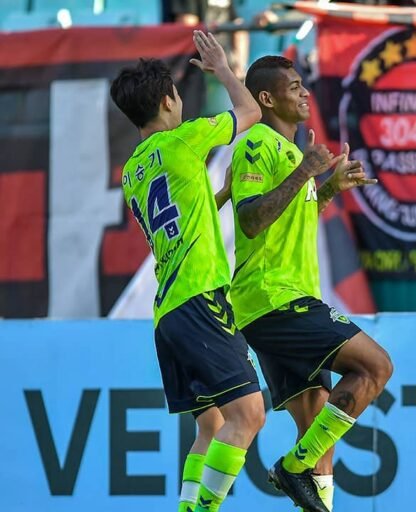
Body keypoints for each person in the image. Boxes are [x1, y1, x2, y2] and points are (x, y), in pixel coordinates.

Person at [228, 55, 394, 512]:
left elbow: (288, 223)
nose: (304, 94)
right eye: (295, 86)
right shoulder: (257, 143)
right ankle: (291, 467)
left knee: (318, 423)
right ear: (267, 98)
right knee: (376, 368)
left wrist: (327, 189)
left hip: (281, 299)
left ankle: (307, 478)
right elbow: (250, 221)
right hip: (274, 298)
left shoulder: (290, 151)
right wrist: (306, 171)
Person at [110, 31, 264, 512]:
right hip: (200, 298)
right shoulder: (185, 139)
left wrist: (220, 196)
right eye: (176, 95)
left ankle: (187, 507)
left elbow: (182, 215)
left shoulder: (132, 173)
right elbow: (252, 113)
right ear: (166, 100)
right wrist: (222, 69)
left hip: (169, 313)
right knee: (249, 414)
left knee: (211, 425)